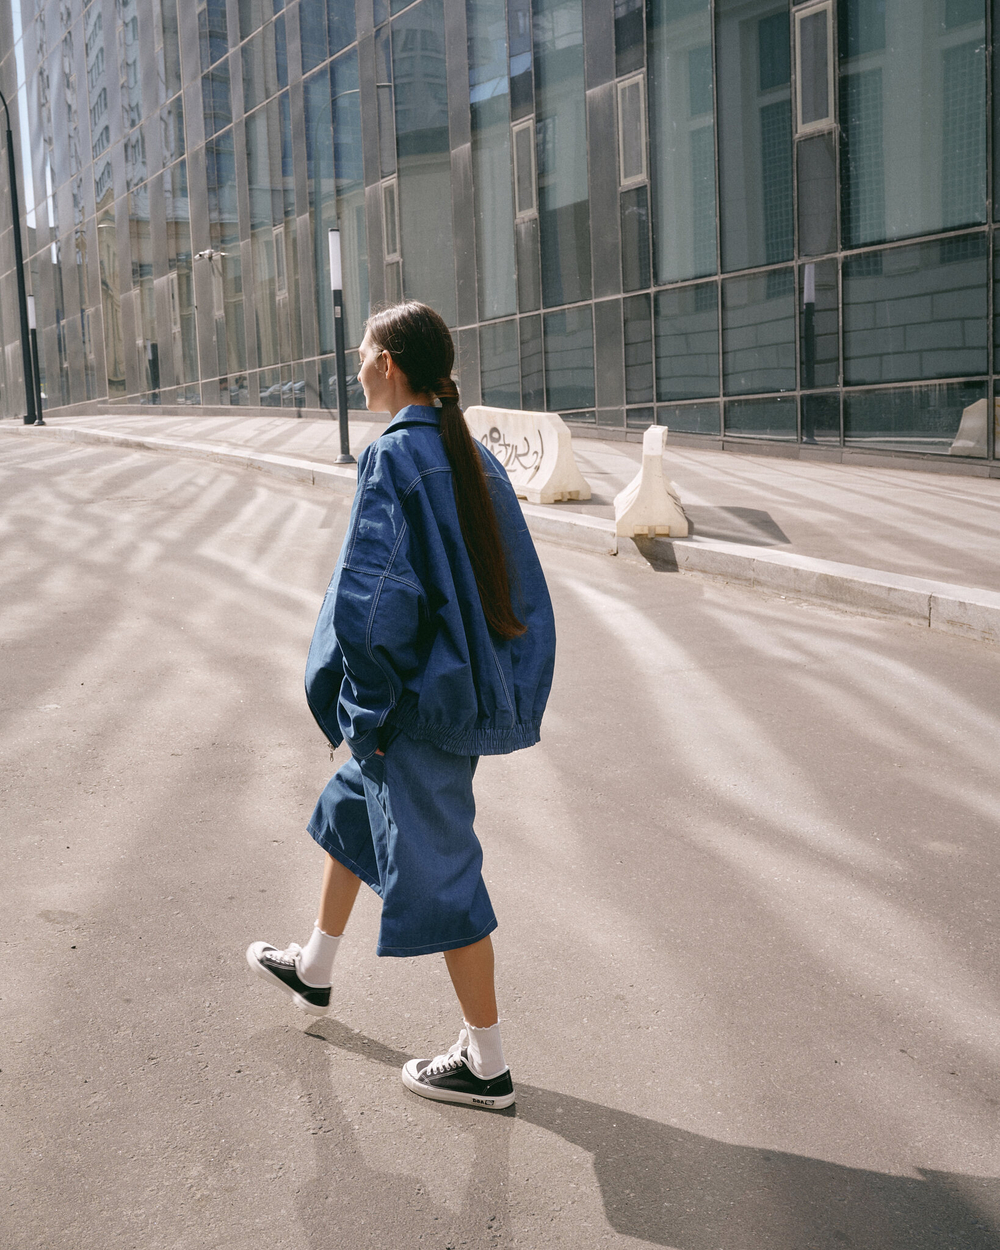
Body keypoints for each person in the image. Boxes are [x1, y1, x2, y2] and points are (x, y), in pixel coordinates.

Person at [246, 300, 556, 1110]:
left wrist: (371, 708)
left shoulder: (394, 458)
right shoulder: (472, 456)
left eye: (362, 354)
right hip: (452, 693)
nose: (355, 367)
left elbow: (373, 601)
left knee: (442, 868)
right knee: (352, 809)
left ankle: (486, 1064)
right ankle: (314, 969)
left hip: (413, 705)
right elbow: (522, 591)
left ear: (388, 365)